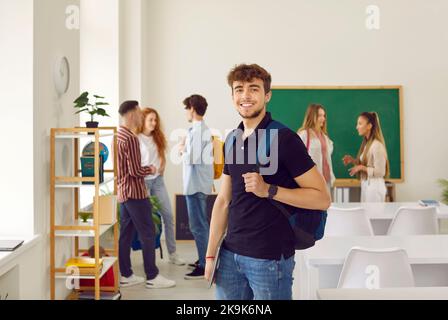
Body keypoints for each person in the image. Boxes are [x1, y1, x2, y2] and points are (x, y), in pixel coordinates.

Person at [205, 64, 331, 300]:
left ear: (267, 95)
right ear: (232, 96)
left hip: (269, 260)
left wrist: (269, 190)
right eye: (239, 89)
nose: (245, 96)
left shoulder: (284, 139)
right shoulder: (232, 139)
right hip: (230, 256)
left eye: (254, 89)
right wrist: (211, 255)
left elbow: (322, 199)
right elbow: (223, 200)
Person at [117, 100, 176, 289]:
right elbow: (135, 170)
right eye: (139, 112)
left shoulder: (118, 135)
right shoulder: (131, 138)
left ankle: (126, 274)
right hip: (135, 193)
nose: (141, 115)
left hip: (123, 192)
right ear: (132, 114)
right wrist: (150, 168)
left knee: (125, 234)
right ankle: (152, 276)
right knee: (148, 232)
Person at [137, 107, 186, 266]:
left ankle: (173, 254)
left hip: (157, 181)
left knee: (168, 216)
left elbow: (161, 156)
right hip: (142, 182)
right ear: (143, 120)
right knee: (146, 220)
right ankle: (148, 258)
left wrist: (162, 168)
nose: (154, 122)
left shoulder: (158, 137)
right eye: (150, 119)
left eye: (155, 120)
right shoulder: (136, 138)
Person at [180, 94, 214, 280]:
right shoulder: (199, 129)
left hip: (195, 186)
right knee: (200, 225)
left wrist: (181, 149)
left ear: (192, 108)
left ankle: (204, 265)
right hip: (197, 184)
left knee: (199, 227)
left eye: (186, 108)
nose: (185, 112)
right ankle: (203, 259)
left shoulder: (199, 130)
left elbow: (192, 158)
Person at [342, 112, 389, 202]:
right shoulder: (367, 144)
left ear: (369, 126)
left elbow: (380, 172)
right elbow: (367, 164)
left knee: (373, 216)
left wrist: (361, 167)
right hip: (367, 184)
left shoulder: (377, 145)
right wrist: (353, 161)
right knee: (366, 215)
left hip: (375, 187)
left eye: (360, 123)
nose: (357, 127)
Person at [297, 104, 335, 193]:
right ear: (312, 116)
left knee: (326, 206)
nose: (323, 119)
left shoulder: (324, 136)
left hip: (327, 180)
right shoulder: (304, 135)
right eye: (319, 116)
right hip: (311, 182)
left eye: (324, 115)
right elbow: (295, 158)